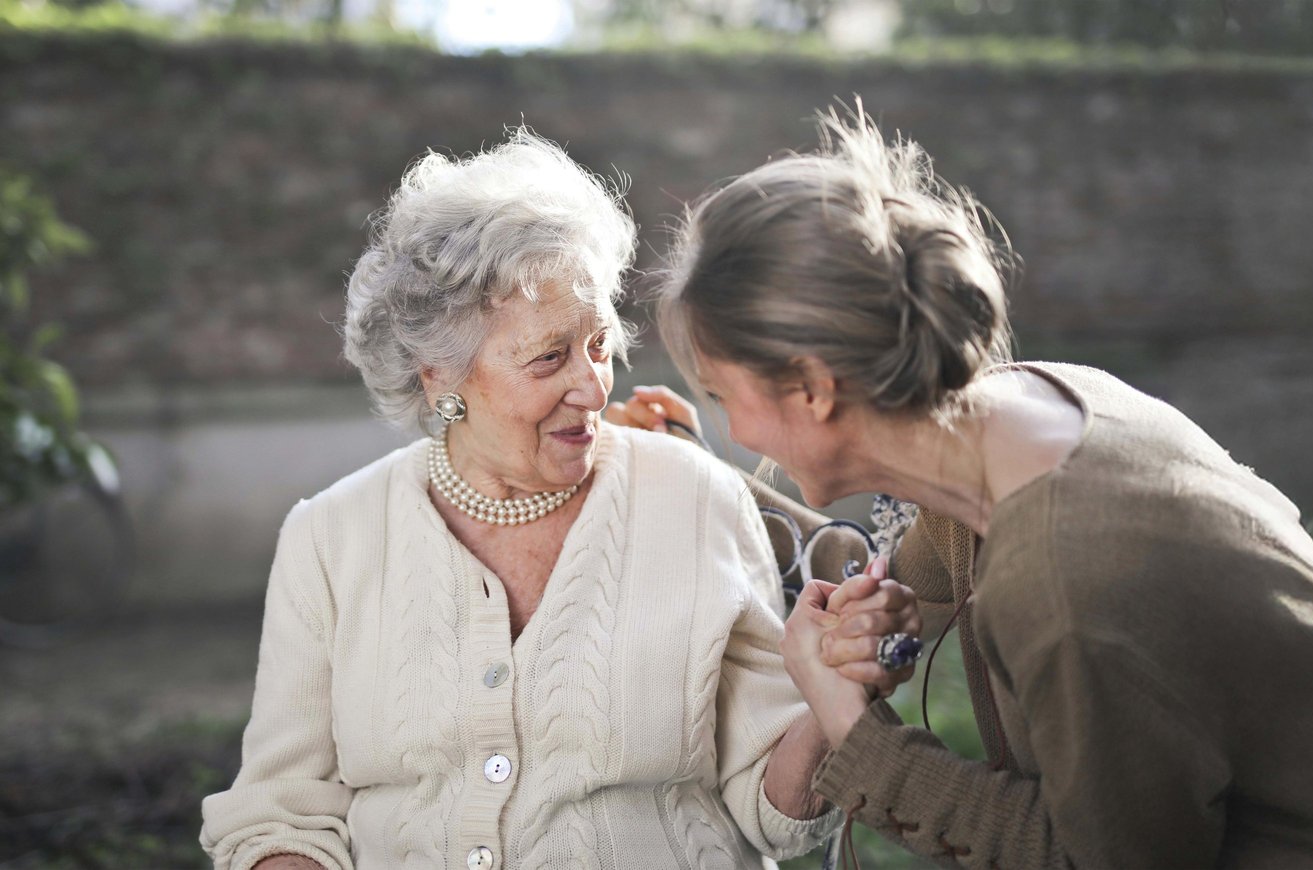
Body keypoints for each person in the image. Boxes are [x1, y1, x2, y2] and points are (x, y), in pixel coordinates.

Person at [629, 107, 1313, 868]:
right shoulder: (1035, 409)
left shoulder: (1068, 580)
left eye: (722, 398)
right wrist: (867, 588)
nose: (734, 430)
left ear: (815, 390)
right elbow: (927, 557)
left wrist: (856, 736)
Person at [200, 130, 916, 870]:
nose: (593, 386)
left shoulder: (694, 498)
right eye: (549, 357)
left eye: (600, 345)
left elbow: (777, 817)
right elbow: (279, 814)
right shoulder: (329, 537)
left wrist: (830, 699)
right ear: (438, 376)